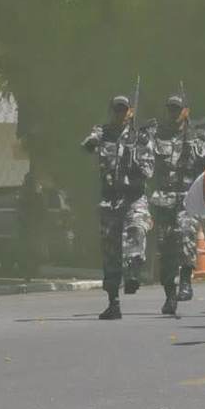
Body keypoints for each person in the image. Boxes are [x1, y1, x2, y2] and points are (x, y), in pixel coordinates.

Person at [82, 95, 155, 320]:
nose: (120, 114)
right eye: (116, 110)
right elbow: (89, 144)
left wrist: (134, 160)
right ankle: (113, 302)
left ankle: (133, 272)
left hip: (134, 198)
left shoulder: (140, 137)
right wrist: (92, 142)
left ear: (130, 112)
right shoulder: (102, 133)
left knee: (137, 230)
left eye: (124, 110)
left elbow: (149, 171)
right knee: (110, 252)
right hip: (110, 200)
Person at [150, 94, 205, 315]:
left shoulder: (197, 137)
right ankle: (169, 294)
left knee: (186, 234)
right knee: (165, 247)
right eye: (170, 109)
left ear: (186, 111)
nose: (173, 113)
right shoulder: (157, 135)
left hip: (187, 195)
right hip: (163, 197)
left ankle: (186, 281)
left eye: (177, 109)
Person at [16, 171, 45, 279]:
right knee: (31, 250)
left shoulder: (23, 193)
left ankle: (28, 271)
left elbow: (20, 210)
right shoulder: (36, 194)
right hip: (31, 226)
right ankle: (30, 271)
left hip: (27, 226)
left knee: (27, 250)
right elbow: (43, 210)